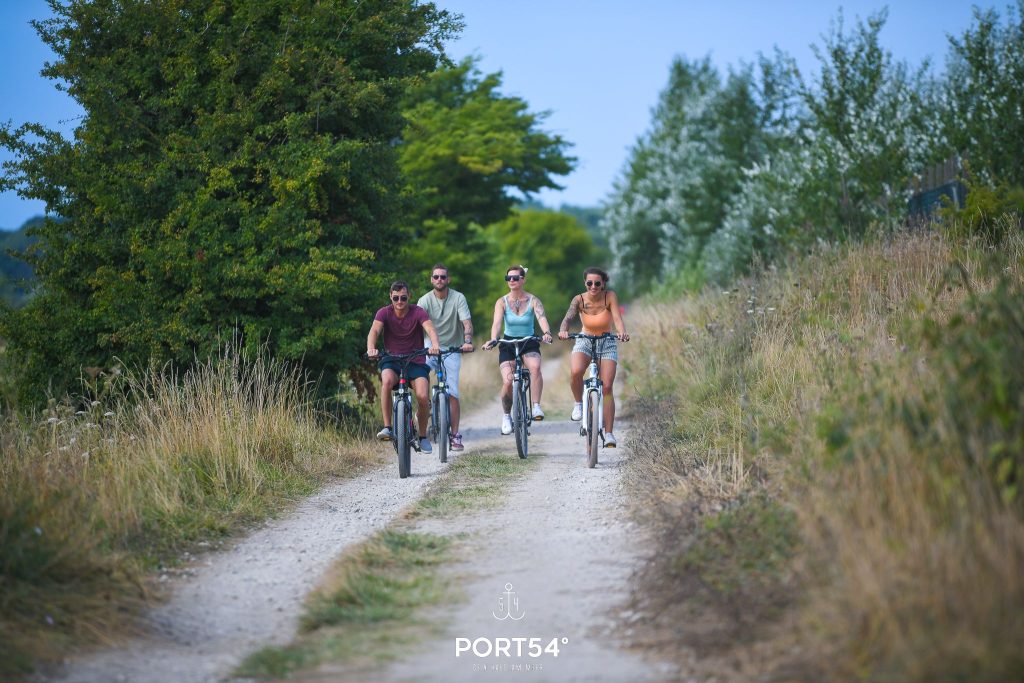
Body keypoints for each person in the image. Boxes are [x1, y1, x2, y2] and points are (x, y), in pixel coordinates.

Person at [557, 266, 630, 447]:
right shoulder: (579, 299)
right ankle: (578, 404)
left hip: (607, 341)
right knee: (576, 372)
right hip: (585, 340)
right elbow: (568, 318)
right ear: (585, 283)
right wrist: (564, 330)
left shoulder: (609, 296)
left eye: (597, 283)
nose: (593, 286)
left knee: (607, 387)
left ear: (603, 284)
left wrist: (622, 332)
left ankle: (609, 433)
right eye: (589, 283)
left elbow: (617, 319)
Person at [367, 280, 441, 453]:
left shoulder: (418, 312)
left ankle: (422, 436)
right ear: (390, 297)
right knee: (386, 382)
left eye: (403, 298)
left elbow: (430, 329)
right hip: (392, 360)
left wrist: (435, 346)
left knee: (423, 396)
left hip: (415, 360)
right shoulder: (384, 312)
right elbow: (374, 331)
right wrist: (371, 348)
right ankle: (388, 427)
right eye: (396, 298)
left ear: (409, 297)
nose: (399, 301)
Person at [482, 265, 554, 435]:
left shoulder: (533, 300)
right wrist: (493, 339)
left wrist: (546, 333)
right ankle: (507, 416)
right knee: (508, 381)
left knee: (535, 367)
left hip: (528, 342)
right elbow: (497, 323)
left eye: (515, 278)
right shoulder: (501, 302)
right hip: (508, 343)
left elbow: (541, 318)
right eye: (508, 278)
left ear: (523, 280)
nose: (511, 281)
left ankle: (536, 406)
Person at [417, 264, 475, 451]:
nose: (439, 280)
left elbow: (467, 323)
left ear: (448, 279)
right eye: (436, 277)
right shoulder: (424, 300)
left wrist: (467, 341)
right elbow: (415, 324)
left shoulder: (458, 298)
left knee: (453, 392)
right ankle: (425, 404)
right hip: (430, 346)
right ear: (431, 280)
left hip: (453, 347)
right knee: (419, 375)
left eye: (443, 277)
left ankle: (455, 435)